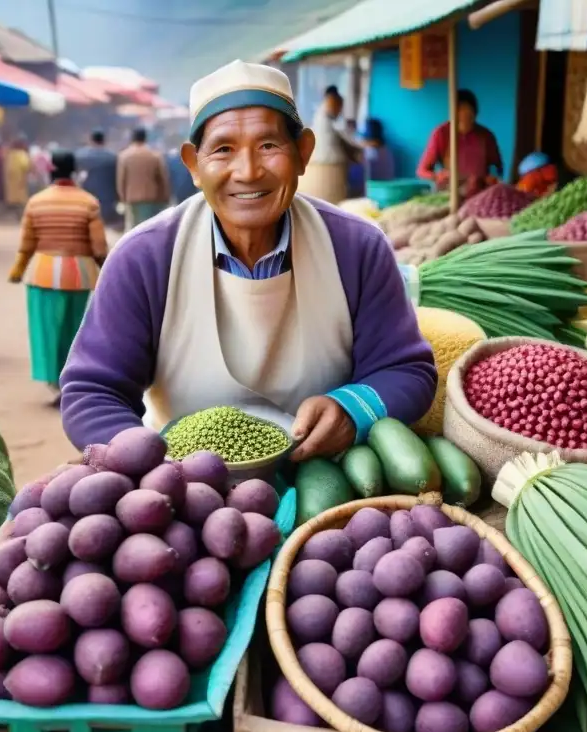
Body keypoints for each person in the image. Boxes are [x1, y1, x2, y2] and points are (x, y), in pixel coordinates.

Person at [59, 60, 436, 460]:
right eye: (223, 150)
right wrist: (153, 467)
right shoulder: (144, 258)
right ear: (193, 165)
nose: (248, 171)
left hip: (326, 475)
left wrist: (352, 409)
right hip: (184, 489)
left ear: (303, 153)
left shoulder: (357, 247)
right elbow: (92, 392)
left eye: (269, 146)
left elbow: (407, 370)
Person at [9, 150, 108, 405]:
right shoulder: (88, 202)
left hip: (42, 274)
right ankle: (70, 380)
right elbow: (98, 247)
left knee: (46, 330)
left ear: (50, 171)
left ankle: (54, 382)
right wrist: (108, 271)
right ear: (74, 171)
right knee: (74, 330)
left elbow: (27, 243)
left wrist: (18, 270)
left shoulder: (36, 201)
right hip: (79, 276)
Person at [416, 89, 503, 198]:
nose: (464, 115)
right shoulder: (441, 133)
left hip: (480, 193)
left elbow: (497, 168)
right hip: (450, 192)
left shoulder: (486, 136)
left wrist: (491, 177)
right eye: (460, 110)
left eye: (468, 111)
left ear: (475, 114)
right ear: (452, 113)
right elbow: (422, 171)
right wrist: (438, 176)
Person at [297, 85, 362, 204]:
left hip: (329, 164)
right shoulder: (324, 115)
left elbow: (344, 139)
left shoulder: (327, 118)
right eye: (339, 106)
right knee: (330, 201)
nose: (340, 109)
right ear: (332, 101)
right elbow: (345, 141)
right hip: (328, 164)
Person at [117, 127, 170, 230]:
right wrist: (165, 197)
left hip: (131, 199)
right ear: (145, 138)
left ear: (132, 138)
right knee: (150, 227)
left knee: (134, 228)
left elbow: (121, 180)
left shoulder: (124, 156)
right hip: (152, 198)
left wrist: (122, 198)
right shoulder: (155, 155)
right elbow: (163, 179)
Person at [75, 129, 120, 226]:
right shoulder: (113, 157)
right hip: (108, 198)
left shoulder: (80, 156)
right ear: (104, 141)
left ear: (91, 140)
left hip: (87, 197)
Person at [3, 136, 31, 216]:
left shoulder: (9, 154)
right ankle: (20, 214)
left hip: (10, 182)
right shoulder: (22, 155)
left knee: (13, 199)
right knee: (21, 200)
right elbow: (26, 167)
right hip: (20, 182)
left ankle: (16, 213)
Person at [164, 135, 195, 203]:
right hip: (188, 190)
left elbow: (170, 176)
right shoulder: (192, 160)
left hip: (179, 190)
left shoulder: (172, 160)